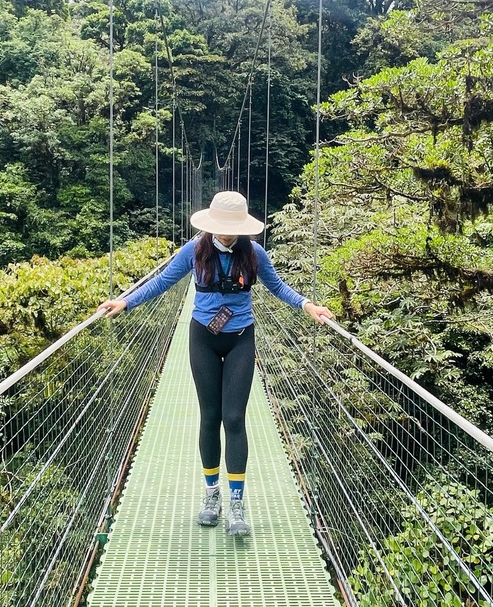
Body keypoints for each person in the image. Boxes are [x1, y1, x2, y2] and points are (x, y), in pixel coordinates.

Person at [99, 191, 333, 536]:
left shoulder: (254, 253)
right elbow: (163, 281)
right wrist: (126, 302)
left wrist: (308, 305)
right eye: (221, 226)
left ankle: (236, 503)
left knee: (234, 418)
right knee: (210, 417)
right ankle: (212, 495)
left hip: (240, 338)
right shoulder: (194, 250)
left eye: (232, 227)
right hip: (203, 339)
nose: (226, 233)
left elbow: (278, 286)